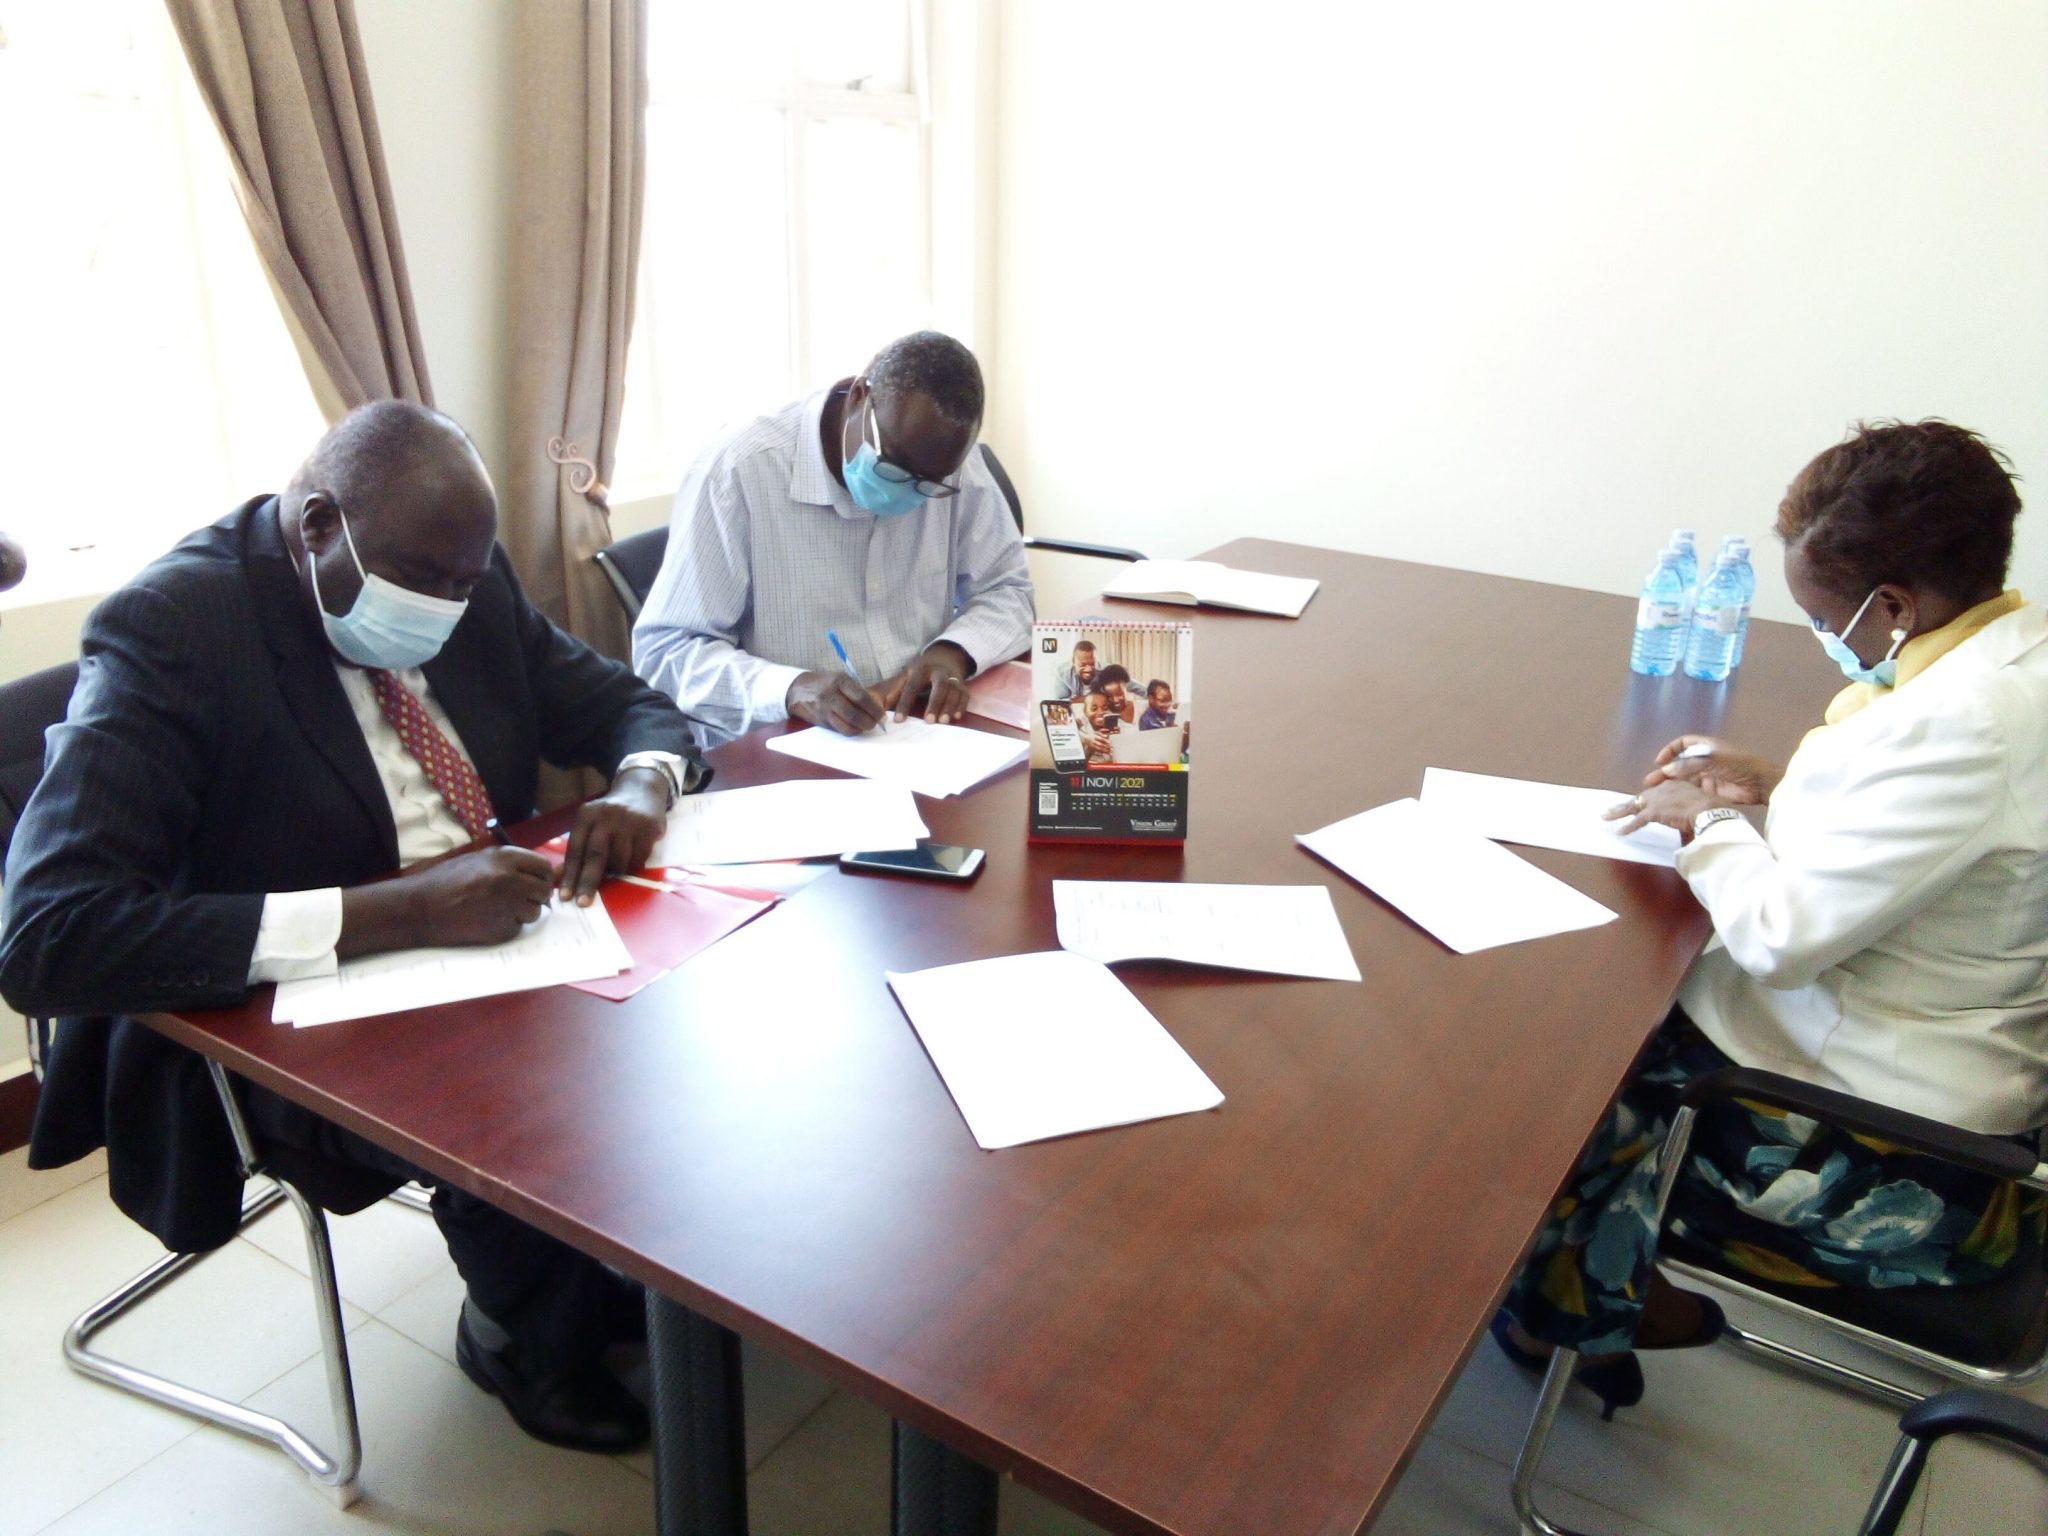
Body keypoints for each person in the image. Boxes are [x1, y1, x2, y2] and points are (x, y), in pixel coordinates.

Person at [0, 401, 709, 1454]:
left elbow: (626, 707)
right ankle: (523, 1338)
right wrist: (394, 913)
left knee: (679, 999)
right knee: (512, 1077)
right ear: (319, 525)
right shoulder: (175, 628)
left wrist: (646, 783)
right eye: (423, 582)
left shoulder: (461, 572)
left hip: (490, 932)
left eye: (464, 584)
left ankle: (590, 1270)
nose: (446, 608)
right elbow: (49, 937)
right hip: (271, 1012)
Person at [1493, 420, 2048, 1417]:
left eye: (1823, 617)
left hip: (1893, 1153)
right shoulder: (2014, 657)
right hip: (1940, 1058)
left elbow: (1778, 940)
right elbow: (1940, 837)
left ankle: (1559, 1318)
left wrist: (1705, 822)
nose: (1824, 640)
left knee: (1562, 1079)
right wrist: (1779, 788)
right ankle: (1599, 1295)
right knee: (1602, 1027)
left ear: (1893, 605)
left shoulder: (1965, 723)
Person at [632, 330, 1034, 746]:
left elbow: (1008, 590)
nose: (909, 491)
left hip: (917, 730)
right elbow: (667, 653)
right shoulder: (739, 470)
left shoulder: (949, 463)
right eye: (894, 466)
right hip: (780, 744)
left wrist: (951, 653)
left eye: (929, 484)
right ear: (859, 397)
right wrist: (791, 690)